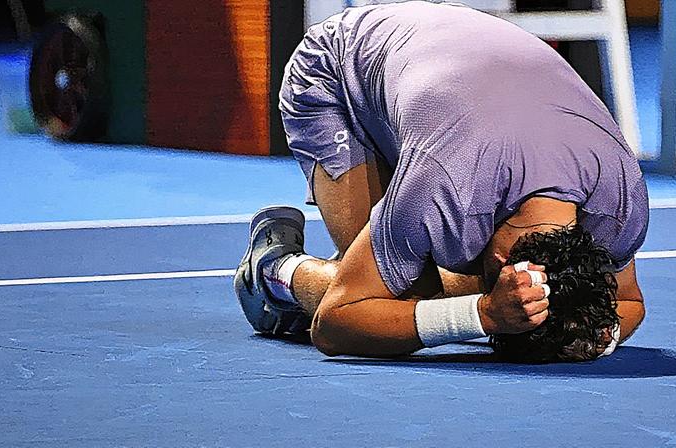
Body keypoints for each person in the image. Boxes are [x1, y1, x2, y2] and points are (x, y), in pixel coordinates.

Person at [234, 1, 648, 362]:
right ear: (503, 261)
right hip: (336, 70)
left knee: (434, 295)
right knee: (403, 299)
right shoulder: (445, 187)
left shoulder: (618, 205)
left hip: (453, 63)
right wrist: (485, 315)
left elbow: (627, 303)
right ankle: (274, 269)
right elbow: (336, 323)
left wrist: (591, 334)